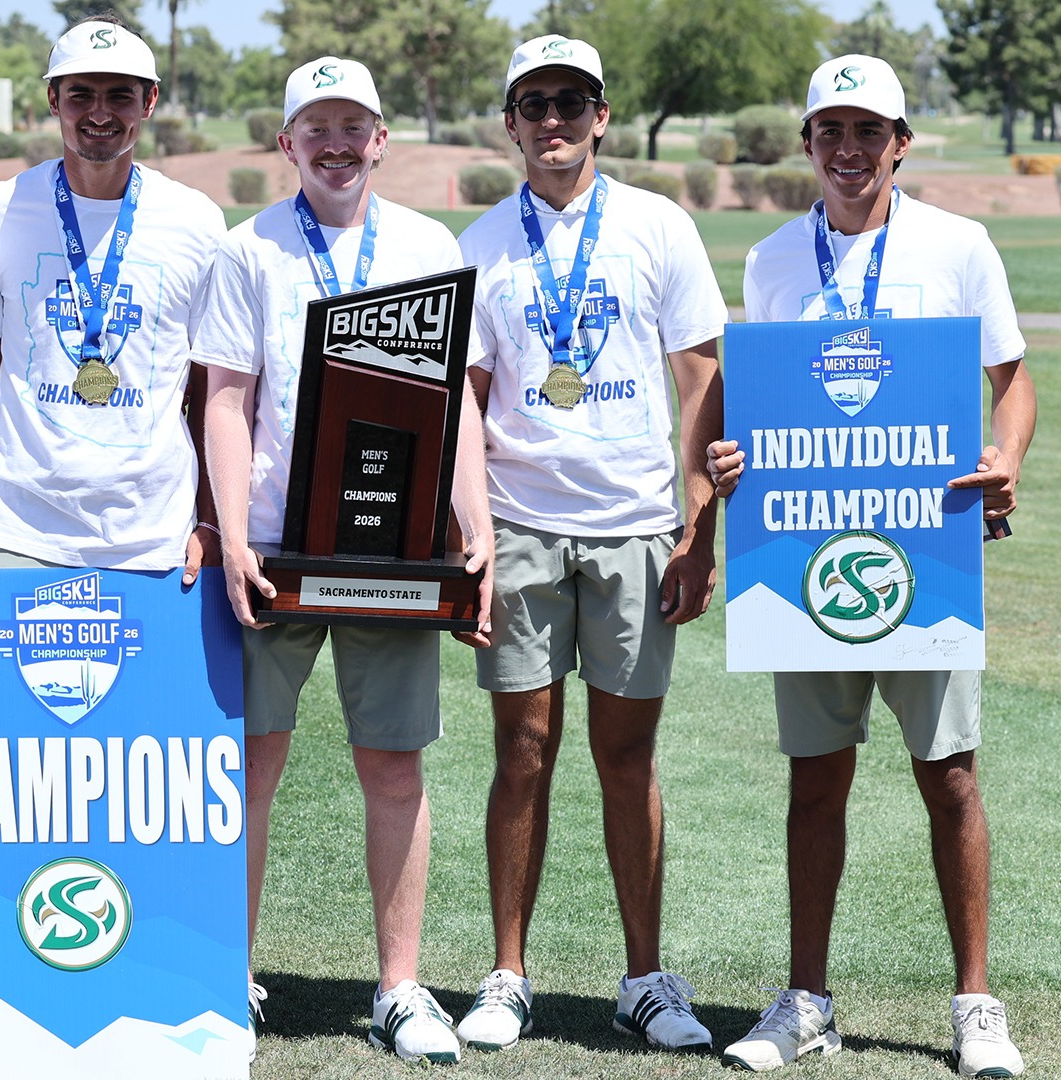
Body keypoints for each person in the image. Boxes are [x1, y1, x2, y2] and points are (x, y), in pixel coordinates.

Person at [711, 54, 1036, 1077]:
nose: (848, 151)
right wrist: (729, 460)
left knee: (949, 780)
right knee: (817, 782)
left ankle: (976, 1003)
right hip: (806, 559)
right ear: (807, 145)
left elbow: (1014, 383)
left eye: (869, 132)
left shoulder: (959, 245)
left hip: (926, 553)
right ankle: (806, 1000)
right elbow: (756, 409)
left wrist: (1004, 459)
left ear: (902, 143)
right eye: (829, 132)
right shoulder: (771, 261)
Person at [196, 56, 495, 1066]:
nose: (333, 143)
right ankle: (224, 980)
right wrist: (234, 534)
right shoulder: (249, 250)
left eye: (351, 126)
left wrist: (476, 525)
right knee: (247, 771)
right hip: (278, 547)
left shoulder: (425, 243)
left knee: (394, 767)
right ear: (287, 143)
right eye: (313, 127)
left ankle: (399, 989)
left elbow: (450, 404)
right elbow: (228, 399)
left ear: (381, 139)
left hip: (397, 552)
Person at [449, 34, 727, 1054]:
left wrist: (700, 529)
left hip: (636, 528)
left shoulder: (659, 227)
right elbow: (467, 405)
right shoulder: (480, 241)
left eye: (571, 102)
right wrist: (470, 534)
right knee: (520, 753)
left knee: (627, 755)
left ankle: (646, 978)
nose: (553, 120)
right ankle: (507, 974)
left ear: (602, 115)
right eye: (534, 104)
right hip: (521, 525)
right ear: (511, 122)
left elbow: (701, 383)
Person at [0, 18, 224, 578]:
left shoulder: (197, 220)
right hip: (19, 524)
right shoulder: (1, 207)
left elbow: (208, 383)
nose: (100, 113)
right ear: (53, 98)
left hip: (156, 532)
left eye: (120, 96)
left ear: (150, 101)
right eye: (80, 94)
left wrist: (210, 519)